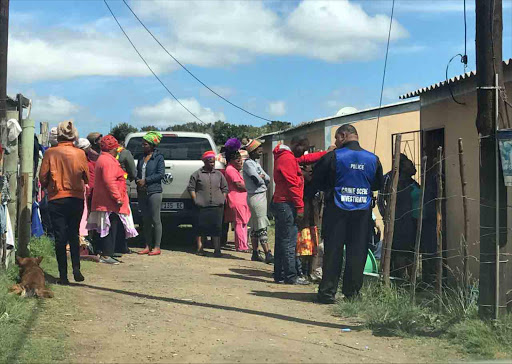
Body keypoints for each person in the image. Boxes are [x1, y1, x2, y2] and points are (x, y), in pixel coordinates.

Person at [314, 124, 383, 303]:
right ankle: (352, 294)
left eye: (336, 138)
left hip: (336, 210)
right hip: (362, 212)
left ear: (343, 135)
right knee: (357, 252)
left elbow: (318, 180)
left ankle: (328, 293)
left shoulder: (333, 157)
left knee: (333, 251)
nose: (336, 142)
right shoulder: (373, 159)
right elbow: (377, 185)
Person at [39, 120, 89, 284]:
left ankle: (63, 275)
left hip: (57, 198)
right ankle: (76, 268)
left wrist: (48, 186)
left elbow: (43, 177)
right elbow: (86, 177)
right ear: (74, 136)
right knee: (74, 233)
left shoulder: (50, 153)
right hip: (76, 198)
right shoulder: (80, 154)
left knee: (60, 237)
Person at [87, 135, 138, 264]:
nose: (118, 150)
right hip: (109, 202)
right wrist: (117, 197)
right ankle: (106, 254)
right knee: (109, 228)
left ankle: (107, 253)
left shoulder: (105, 159)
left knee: (110, 227)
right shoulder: (107, 161)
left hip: (108, 201)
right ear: (112, 148)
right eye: (116, 147)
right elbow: (109, 181)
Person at [272, 136, 312, 285]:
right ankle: (290, 276)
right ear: (296, 145)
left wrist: (325, 153)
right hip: (287, 204)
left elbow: (305, 160)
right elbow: (293, 185)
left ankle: (280, 274)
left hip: (282, 203)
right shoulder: (287, 159)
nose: (304, 152)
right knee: (289, 241)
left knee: (282, 240)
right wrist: (300, 207)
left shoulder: (285, 157)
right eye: (303, 148)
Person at [377, 154, 419, 278]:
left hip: (411, 220)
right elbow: (380, 200)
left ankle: (412, 278)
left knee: (410, 249)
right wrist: (386, 217)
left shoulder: (411, 182)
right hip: (396, 220)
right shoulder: (388, 178)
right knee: (398, 249)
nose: (413, 168)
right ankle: (398, 277)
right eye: (409, 164)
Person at [188, 151, 228, 257]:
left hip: (217, 206)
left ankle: (217, 249)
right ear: (205, 162)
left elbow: (225, 188)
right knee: (200, 228)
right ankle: (200, 249)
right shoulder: (197, 174)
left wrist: (222, 199)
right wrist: (196, 199)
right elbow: (191, 188)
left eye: (213, 162)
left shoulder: (219, 174)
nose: (212, 164)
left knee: (217, 228)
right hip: (202, 206)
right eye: (210, 162)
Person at [243, 139, 274, 263]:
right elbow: (257, 179)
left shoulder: (256, 163)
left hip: (259, 195)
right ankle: (267, 252)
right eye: (259, 149)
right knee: (261, 224)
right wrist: (262, 178)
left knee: (256, 225)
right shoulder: (248, 164)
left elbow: (267, 178)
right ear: (253, 151)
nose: (261, 151)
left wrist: (262, 178)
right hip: (256, 196)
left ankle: (255, 252)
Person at [136, 131, 165, 256]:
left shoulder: (159, 158)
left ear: (153, 145)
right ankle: (147, 245)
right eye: (142, 144)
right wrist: (137, 180)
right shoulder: (140, 158)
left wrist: (146, 180)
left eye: (146, 144)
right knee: (145, 219)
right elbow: (138, 172)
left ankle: (157, 247)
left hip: (154, 191)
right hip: (142, 192)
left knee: (155, 219)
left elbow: (160, 174)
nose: (143, 146)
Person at [225, 150, 251, 252]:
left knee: (243, 223)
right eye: (238, 160)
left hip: (241, 199)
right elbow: (239, 185)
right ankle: (241, 246)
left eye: (241, 160)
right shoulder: (230, 170)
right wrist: (251, 187)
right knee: (240, 223)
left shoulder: (234, 170)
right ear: (231, 160)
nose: (240, 163)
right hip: (236, 199)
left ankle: (242, 244)